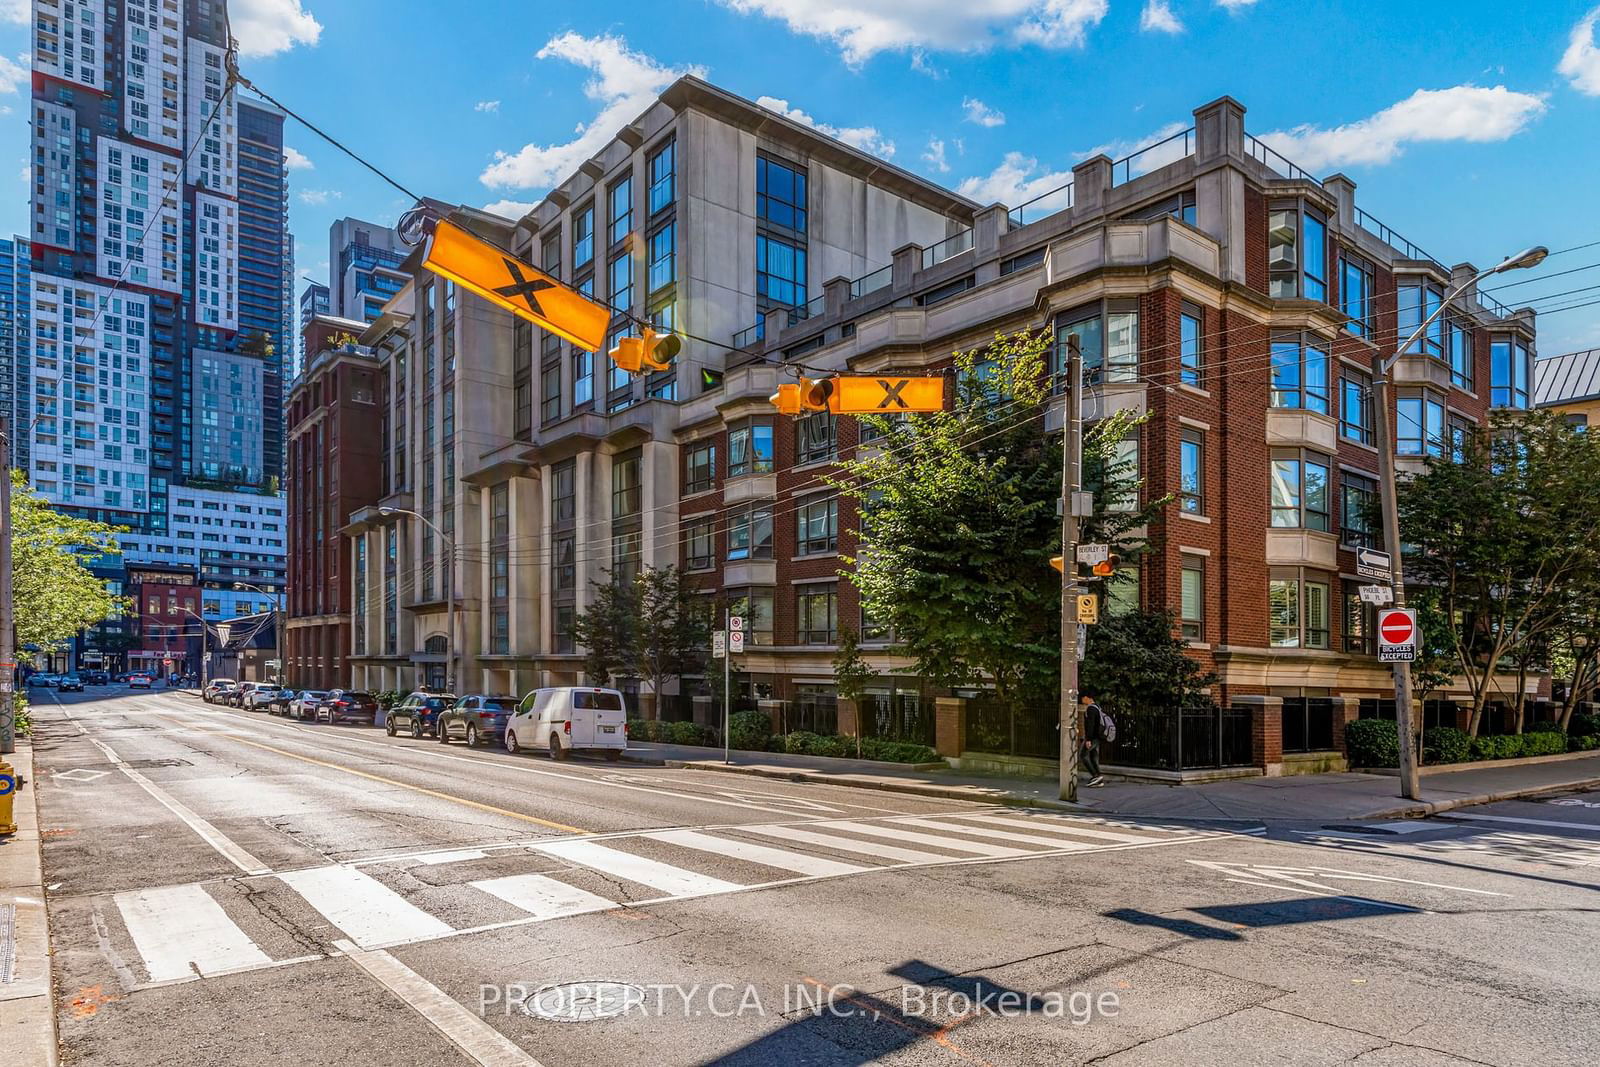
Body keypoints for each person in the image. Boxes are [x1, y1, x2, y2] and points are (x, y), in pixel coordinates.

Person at [1080, 693, 1106, 787]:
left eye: (1083, 697)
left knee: (1082, 755)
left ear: (1087, 698)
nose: (1082, 700)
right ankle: (1099, 779)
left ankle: (1095, 776)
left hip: (1093, 737)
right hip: (1097, 737)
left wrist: (1088, 739)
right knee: (1093, 757)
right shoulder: (1097, 707)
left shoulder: (1090, 709)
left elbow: (1091, 725)